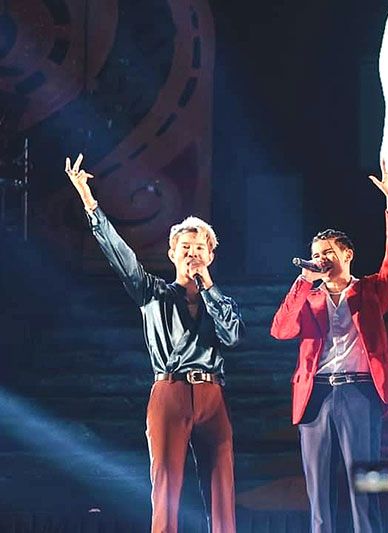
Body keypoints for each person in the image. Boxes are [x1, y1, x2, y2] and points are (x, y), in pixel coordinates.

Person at [65, 154, 244, 533]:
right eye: (186, 247)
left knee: (221, 488)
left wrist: (209, 288)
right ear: (172, 253)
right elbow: (121, 256)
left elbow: (232, 336)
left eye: (200, 248)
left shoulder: (220, 301)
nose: (192, 253)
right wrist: (89, 202)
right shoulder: (153, 293)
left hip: (212, 394)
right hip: (169, 391)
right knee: (166, 488)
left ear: (211, 255)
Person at [270, 159, 388, 533]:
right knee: (318, 492)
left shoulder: (371, 291)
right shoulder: (308, 297)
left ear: (348, 254)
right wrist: (303, 281)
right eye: (317, 254)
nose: (321, 259)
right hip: (316, 395)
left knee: (365, 485)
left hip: (360, 393)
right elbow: (281, 330)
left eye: (328, 252)